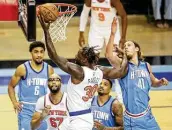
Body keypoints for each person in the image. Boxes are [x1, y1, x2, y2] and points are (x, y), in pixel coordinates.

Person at [38, 13, 127, 130]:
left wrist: (46, 31)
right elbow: (121, 72)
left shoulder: (79, 72)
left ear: (85, 59)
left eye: (78, 55)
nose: (75, 56)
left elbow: (53, 56)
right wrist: (125, 56)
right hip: (74, 116)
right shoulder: (99, 71)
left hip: (80, 121)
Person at [106, 18, 169, 129]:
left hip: (148, 116)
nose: (126, 47)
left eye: (129, 45)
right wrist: (112, 34)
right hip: (132, 120)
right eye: (124, 47)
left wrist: (160, 82)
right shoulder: (123, 66)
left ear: (137, 48)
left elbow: (153, 82)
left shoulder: (146, 66)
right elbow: (109, 56)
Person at [8, 41, 54, 130]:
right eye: (36, 52)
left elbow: (53, 89)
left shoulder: (49, 69)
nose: (39, 55)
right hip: (26, 109)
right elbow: (11, 86)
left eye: (41, 52)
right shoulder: (22, 68)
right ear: (31, 53)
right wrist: (14, 102)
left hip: (42, 108)